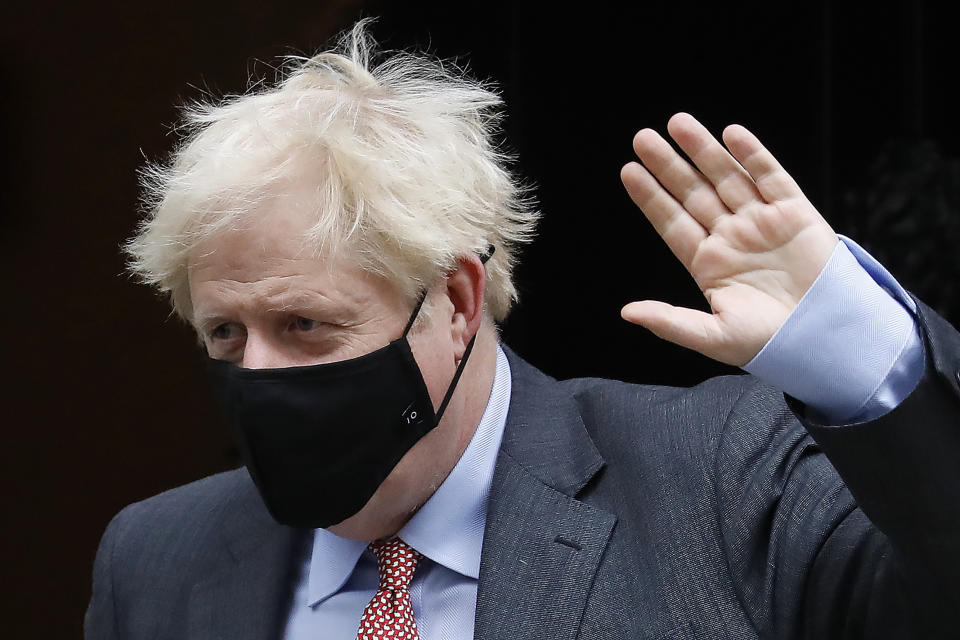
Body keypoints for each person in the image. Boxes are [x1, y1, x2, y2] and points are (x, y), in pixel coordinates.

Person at [85, 19, 959, 639]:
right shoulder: (156, 558)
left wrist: (859, 358)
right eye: (226, 336)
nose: (261, 374)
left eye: (305, 323)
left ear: (458, 303)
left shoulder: (720, 482)